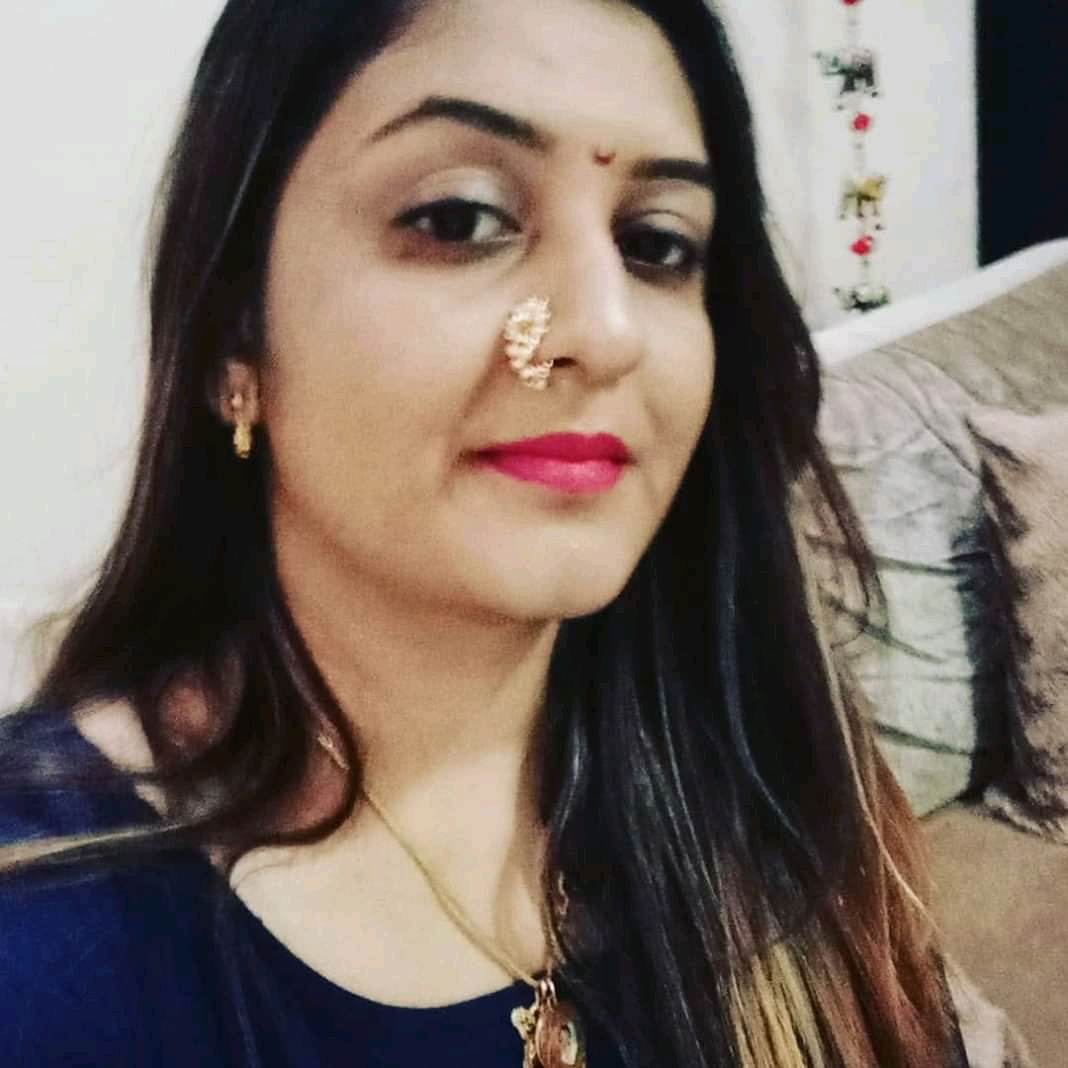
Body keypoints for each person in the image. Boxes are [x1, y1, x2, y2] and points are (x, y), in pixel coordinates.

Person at [0, 1, 970, 1066]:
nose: (605, 332)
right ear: (236, 335)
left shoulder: (776, 785)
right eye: (461, 220)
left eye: (656, 245)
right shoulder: (42, 946)